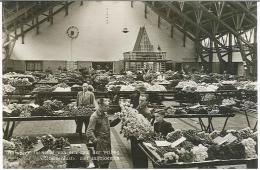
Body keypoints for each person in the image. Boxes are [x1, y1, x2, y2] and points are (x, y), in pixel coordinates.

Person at [86, 98, 121, 168]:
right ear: (100, 106)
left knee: (106, 162)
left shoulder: (104, 114)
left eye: (108, 106)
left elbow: (109, 124)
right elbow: (89, 131)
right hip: (100, 144)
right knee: (102, 163)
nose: (108, 108)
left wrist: (119, 118)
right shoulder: (94, 117)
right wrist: (96, 141)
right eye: (106, 106)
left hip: (106, 143)